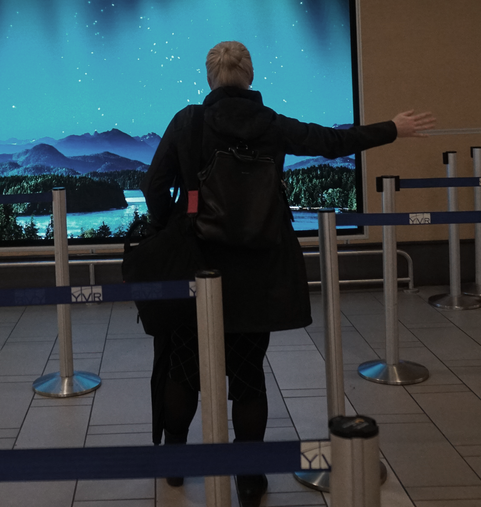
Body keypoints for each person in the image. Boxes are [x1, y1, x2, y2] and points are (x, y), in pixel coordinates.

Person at [140, 40, 434, 506]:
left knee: (183, 365)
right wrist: (391, 129)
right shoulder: (271, 125)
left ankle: (176, 462)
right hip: (260, 271)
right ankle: (251, 477)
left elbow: (153, 186)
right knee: (249, 375)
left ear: (210, 78)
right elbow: (331, 142)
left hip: (198, 269)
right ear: (249, 76)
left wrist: (171, 229)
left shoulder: (188, 122)